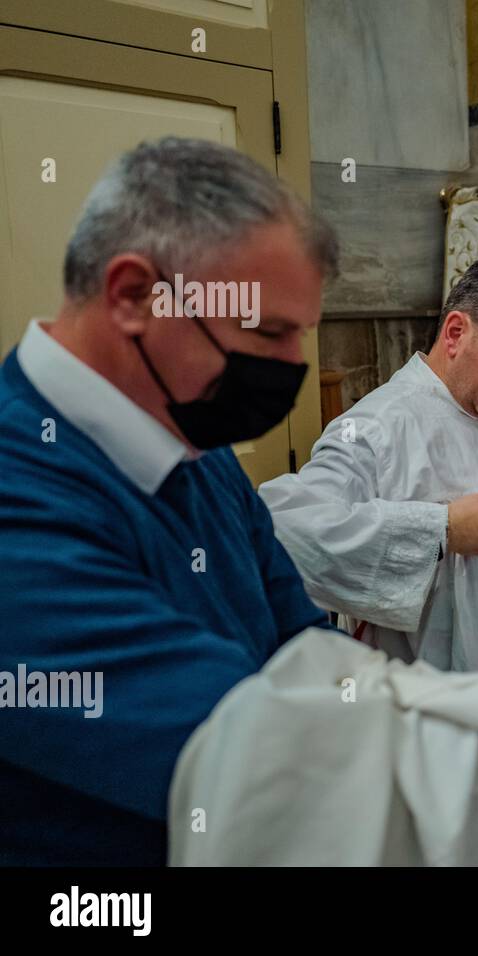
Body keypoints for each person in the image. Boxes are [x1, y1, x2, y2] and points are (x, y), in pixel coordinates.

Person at [0, 137, 338, 865]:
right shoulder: (19, 492)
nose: (292, 368)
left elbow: (300, 642)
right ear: (133, 295)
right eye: (265, 332)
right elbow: (250, 756)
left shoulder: (201, 452)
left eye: (299, 335)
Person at [260, 251, 478, 672]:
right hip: (444, 711)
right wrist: (441, 529)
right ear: (455, 333)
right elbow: (287, 532)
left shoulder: (475, 416)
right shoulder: (376, 427)